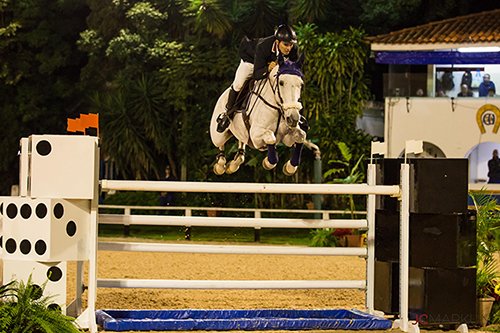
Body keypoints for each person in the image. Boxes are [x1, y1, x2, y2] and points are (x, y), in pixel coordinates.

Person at [216, 24, 300, 133]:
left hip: (273, 65)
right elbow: (257, 73)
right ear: (277, 42)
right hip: (252, 61)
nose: (289, 48)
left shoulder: (294, 50)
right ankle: (227, 114)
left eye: (291, 45)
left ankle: (295, 115)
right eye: (286, 45)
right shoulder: (263, 46)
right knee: (238, 84)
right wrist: (267, 68)